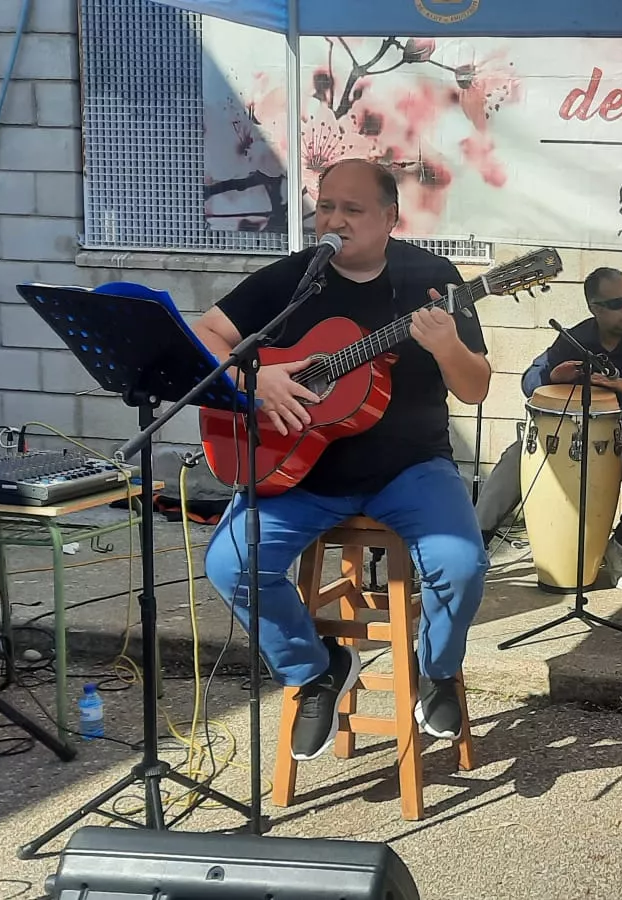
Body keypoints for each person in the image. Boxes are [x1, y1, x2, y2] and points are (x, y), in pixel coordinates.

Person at [195, 158, 491, 760]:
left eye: (352, 210)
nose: (334, 220)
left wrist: (447, 345)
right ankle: (317, 668)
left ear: (390, 217)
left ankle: (434, 669)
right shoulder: (292, 280)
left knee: (461, 566)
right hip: (301, 473)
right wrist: (258, 381)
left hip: (410, 468)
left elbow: (476, 388)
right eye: (326, 207)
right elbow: (206, 332)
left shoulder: (434, 280)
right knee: (231, 564)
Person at [473, 267, 622, 589]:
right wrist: (551, 377)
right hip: (574, 439)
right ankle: (475, 544)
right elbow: (530, 380)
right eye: (617, 303)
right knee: (518, 455)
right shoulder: (574, 339)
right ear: (595, 309)